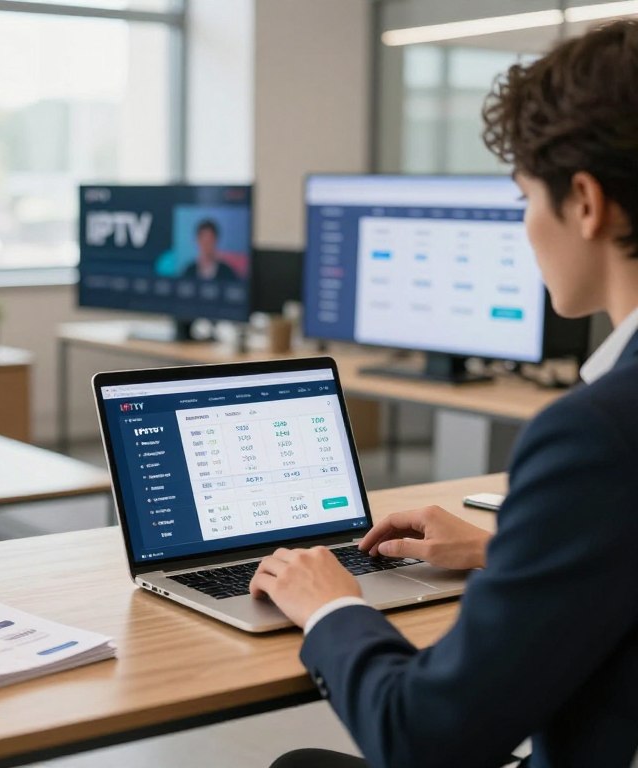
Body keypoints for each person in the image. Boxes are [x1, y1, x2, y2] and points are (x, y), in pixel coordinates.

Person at [251, 20, 638, 768]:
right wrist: (511, 552)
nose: (525, 225)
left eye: (524, 196)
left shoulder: (596, 434)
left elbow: (424, 739)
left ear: (585, 203)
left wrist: (328, 604)